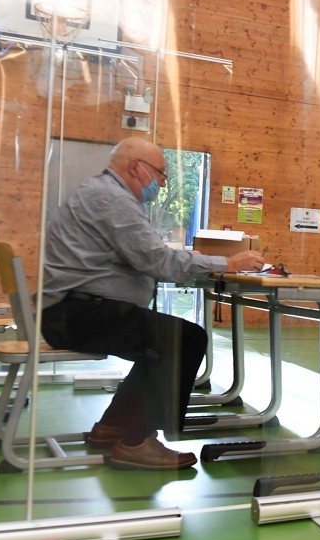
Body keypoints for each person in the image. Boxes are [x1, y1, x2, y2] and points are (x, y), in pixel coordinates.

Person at [40, 136, 265, 471]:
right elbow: (158, 262)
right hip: (78, 314)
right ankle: (136, 441)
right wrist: (225, 264)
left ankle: (113, 427)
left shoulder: (100, 193)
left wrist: (192, 259)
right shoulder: (113, 200)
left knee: (158, 339)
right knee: (184, 339)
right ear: (136, 168)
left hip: (72, 310)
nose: (161, 183)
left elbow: (146, 256)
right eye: (160, 174)